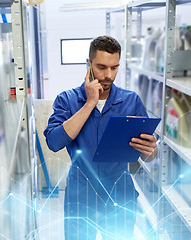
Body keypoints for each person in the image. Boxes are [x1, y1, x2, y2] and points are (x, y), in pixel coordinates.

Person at [44, 36, 157, 240]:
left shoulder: (131, 101)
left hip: (119, 194)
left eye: (114, 68)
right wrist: (89, 103)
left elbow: (148, 155)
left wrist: (151, 151)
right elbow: (53, 142)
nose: (108, 75)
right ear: (88, 64)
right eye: (102, 67)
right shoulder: (67, 100)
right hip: (81, 195)